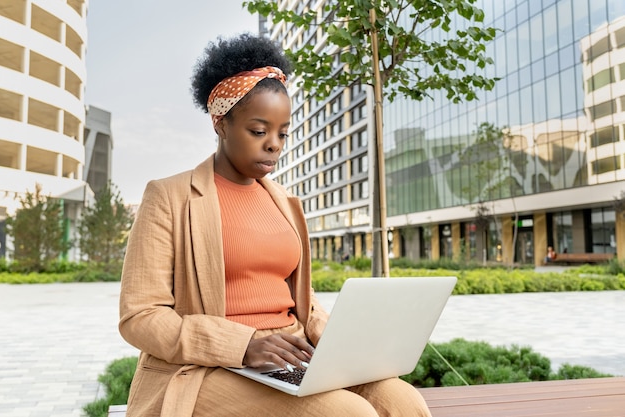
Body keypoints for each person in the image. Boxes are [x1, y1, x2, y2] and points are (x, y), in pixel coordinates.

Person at [118, 33, 432, 417]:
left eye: (283, 132)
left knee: (402, 401)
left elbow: (301, 298)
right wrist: (243, 345)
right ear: (221, 123)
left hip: (291, 354)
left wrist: (338, 336)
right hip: (209, 366)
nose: (274, 144)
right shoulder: (169, 197)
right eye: (258, 130)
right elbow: (140, 316)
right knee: (350, 414)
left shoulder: (284, 202)